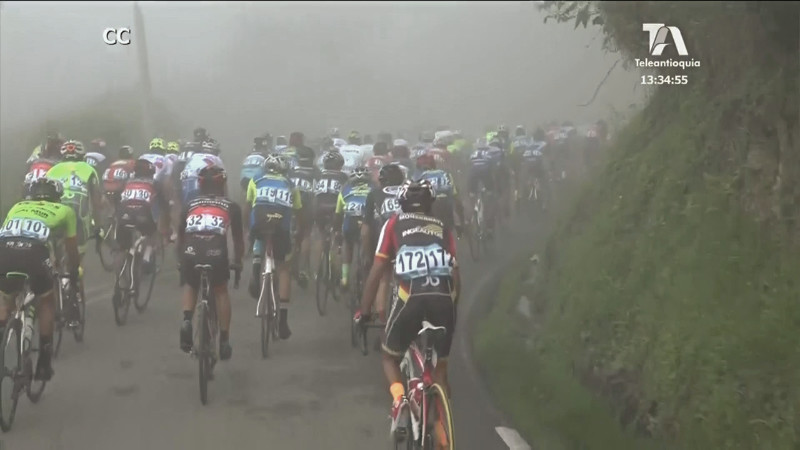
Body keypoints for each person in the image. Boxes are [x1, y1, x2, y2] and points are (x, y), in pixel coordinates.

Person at [354, 179, 460, 442]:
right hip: (443, 299)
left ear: (401, 204)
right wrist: (452, 309)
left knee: (389, 356)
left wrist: (363, 312)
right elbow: (457, 278)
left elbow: (378, 271)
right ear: (430, 204)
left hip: (410, 297)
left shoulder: (393, 224)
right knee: (440, 373)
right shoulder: (443, 228)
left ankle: (400, 399)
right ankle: (444, 437)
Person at [0, 178, 81, 381]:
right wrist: (72, 271)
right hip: (34, 253)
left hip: (4, 250)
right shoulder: (65, 211)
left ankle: (4, 327)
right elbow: (71, 248)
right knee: (46, 301)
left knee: (6, 296)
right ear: (57, 196)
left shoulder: (17, 206)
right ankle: (44, 362)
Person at [178, 166, 244, 360]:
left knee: (191, 284)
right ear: (222, 184)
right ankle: (224, 340)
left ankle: (187, 321)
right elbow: (238, 240)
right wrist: (238, 262)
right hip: (216, 254)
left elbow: (181, 238)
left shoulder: (189, 204)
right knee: (221, 290)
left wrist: (181, 262)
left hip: (191, 252)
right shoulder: (231, 206)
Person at [243, 155, 302, 339]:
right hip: (280, 229)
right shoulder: (291, 185)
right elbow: (299, 212)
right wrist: (300, 232)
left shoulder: (256, 180)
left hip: (259, 226)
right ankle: (283, 319)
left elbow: (248, 207)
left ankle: (255, 270)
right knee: (284, 269)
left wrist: (247, 230)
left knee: (259, 233)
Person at [45, 140, 103, 306]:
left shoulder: (53, 170)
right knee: (76, 261)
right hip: (79, 218)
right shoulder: (89, 170)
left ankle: (57, 302)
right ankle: (75, 297)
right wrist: (98, 227)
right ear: (83, 156)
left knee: (54, 262)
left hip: (55, 215)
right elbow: (97, 203)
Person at [362, 163, 405, 322]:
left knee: (384, 279)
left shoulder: (374, 194)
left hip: (383, 241)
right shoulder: (409, 192)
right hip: (408, 239)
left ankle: (382, 323)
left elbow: (365, 230)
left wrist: (368, 256)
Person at [116, 159, 171, 275]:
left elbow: (118, 198)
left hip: (123, 215)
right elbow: (164, 207)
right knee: (153, 233)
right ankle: (146, 258)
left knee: (122, 248)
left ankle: (117, 280)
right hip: (142, 215)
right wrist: (165, 229)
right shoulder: (155, 183)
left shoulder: (127, 181)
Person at [285, 133, 317, 288]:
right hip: (307, 204)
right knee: (305, 233)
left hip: (291, 201)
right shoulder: (315, 170)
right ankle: (304, 268)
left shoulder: (291, 171)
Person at [334, 166, 373, 291]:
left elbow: (338, 213)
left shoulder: (345, 190)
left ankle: (345, 277)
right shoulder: (373, 190)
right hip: (366, 224)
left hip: (349, 224)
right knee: (369, 249)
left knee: (347, 243)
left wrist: (337, 231)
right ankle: (367, 270)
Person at [416, 153, 465, 237]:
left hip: (432, 205)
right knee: (455, 208)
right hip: (446, 203)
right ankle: (459, 229)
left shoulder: (421, 177)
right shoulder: (445, 173)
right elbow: (454, 193)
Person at [467, 140, 497, 237]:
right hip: (485, 173)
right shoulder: (489, 154)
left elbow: (468, 167)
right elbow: (493, 169)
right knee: (490, 196)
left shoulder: (472, 154)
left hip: (473, 174)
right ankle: (489, 228)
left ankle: (470, 216)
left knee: (471, 196)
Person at [22, 133, 64, 199]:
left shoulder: (62, 148)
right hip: (39, 171)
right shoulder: (40, 148)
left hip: (51, 172)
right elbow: (30, 161)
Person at [102, 146, 138, 217]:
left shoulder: (113, 163)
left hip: (107, 188)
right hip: (120, 190)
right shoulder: (132, 163)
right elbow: (134, 176)